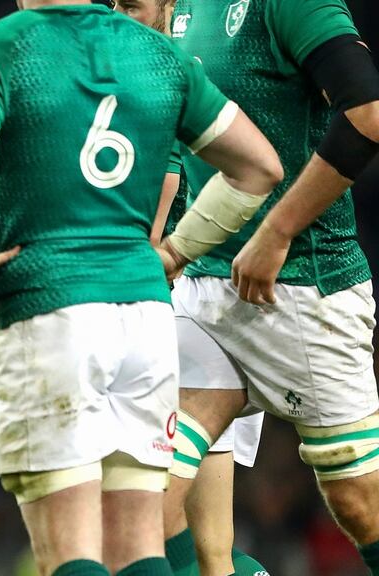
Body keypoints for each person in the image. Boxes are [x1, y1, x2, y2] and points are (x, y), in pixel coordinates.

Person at [0, 0, 283, 574]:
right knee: (137, 544)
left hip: (52, 308)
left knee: (68, 548)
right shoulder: (162, 56)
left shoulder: (2, 46)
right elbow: (259, 167)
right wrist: (174, 251)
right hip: (146, 319)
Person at [150, 0, 379, 574]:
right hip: (204, 293)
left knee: (360, 507)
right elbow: (182, 142)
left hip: (302, 290)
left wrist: (278, 231)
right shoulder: (181, 6)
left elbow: (368, 112)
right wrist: (160, 250)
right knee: (141, 499)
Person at [114, 1, 271, 574]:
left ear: (171, 7)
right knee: (208, 550)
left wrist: (138, 280)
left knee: (137, 517)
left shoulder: (170, 70)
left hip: (187, 307)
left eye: (134, 4)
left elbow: (170, 171)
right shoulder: (163, 62)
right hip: (203, 308)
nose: (121, 13)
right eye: (114, 3)